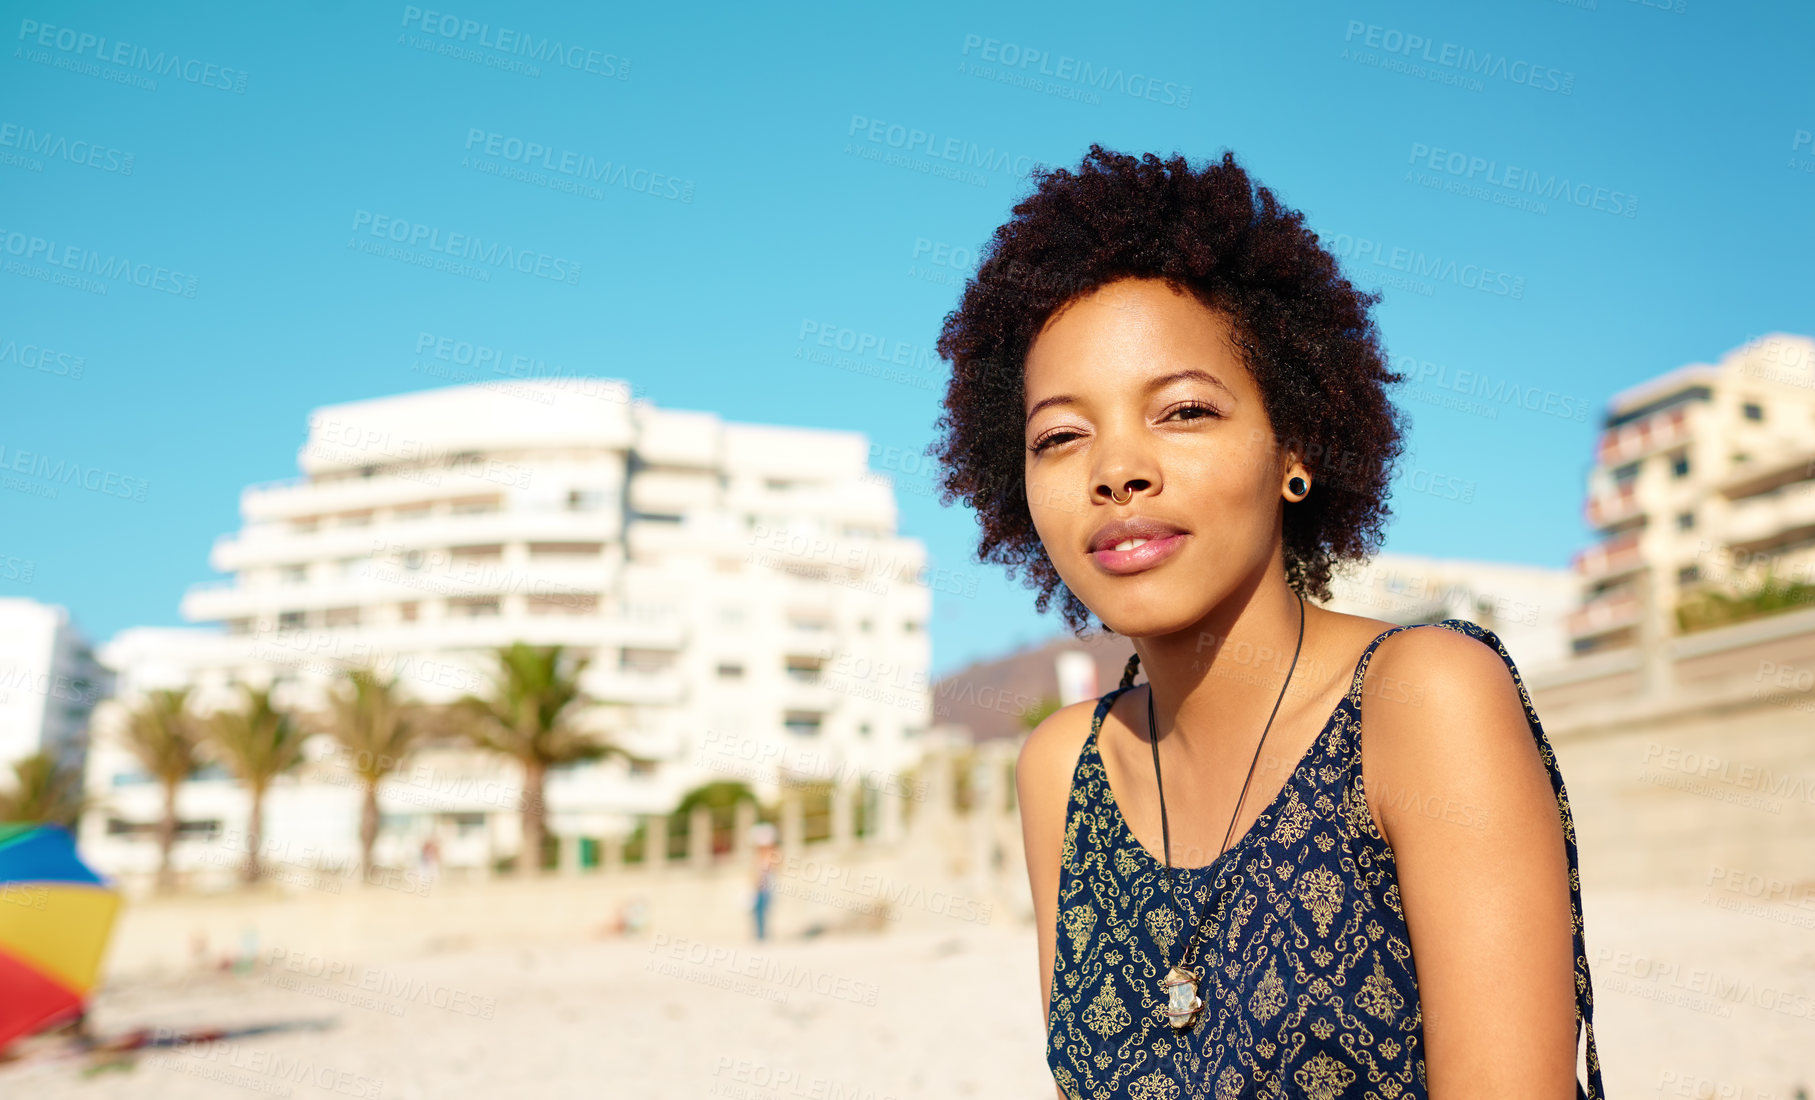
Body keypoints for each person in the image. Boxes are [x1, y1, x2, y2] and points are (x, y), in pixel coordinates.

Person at [931, 146, 1603, 1098]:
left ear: (1293, 444)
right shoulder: (1062, 774)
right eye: (1059, 436)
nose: (1114, 471)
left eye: (1183, 412)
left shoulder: (1420, 702)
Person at [749, 823, 777, 941]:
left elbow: (774, 869)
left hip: (767, 888)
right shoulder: (758, 857)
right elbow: (753, 872)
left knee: (764, 910)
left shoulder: (771, 855)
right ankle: (760, 935)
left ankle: (763, 935)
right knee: (757, 912)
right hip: (758, 889)